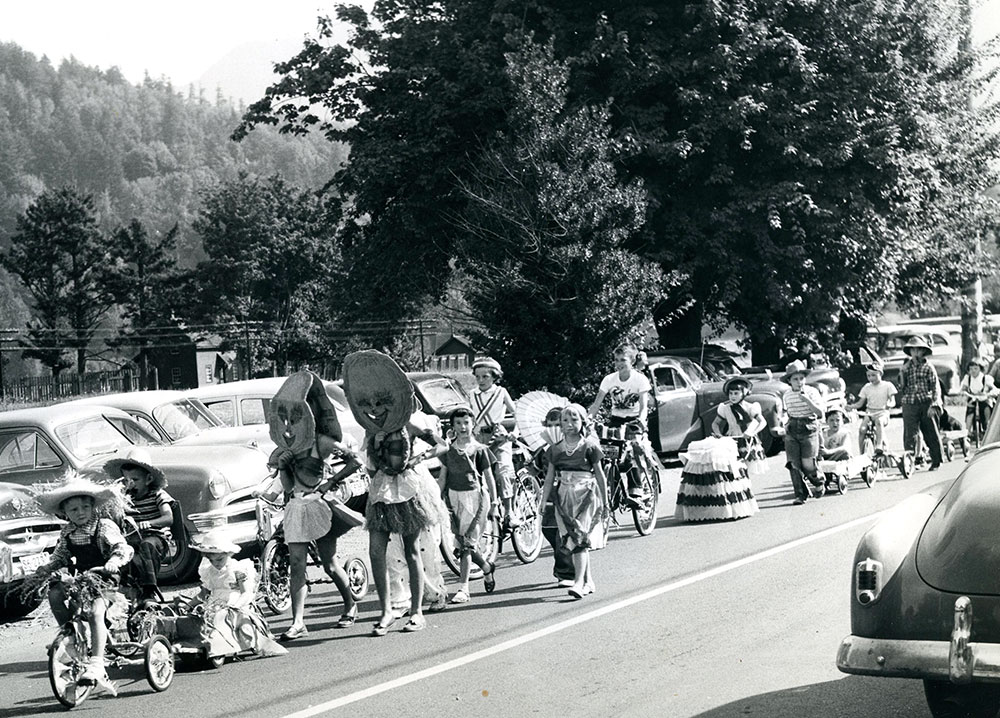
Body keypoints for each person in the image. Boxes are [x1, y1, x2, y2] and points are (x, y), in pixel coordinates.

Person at [343, 350, 449, 636]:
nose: (376, 408)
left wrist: (419, 459)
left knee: (412, 550)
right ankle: (387, 610)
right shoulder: (370, 429)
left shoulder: (410, 424)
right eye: (371, 403)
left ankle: (416, 612)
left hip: (407, 491)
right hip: (380, 493)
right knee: (376, 551)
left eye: (382, 402)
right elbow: (367, 462)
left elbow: (442, 445)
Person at [267, 370, 362, 641]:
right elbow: (286, 486)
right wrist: (284, 465)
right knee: (297, 564)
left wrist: (328, 484)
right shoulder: (287, 444)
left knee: (329, 563)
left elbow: (356, 461)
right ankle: (298, 622)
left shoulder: (322, 442)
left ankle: (350, 604)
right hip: (296, 507)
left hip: (320, 506)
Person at [27, 475, 134, 687]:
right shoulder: (67, 532)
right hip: (81, 577)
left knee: (95, 611)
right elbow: (61, 556)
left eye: (85, 506)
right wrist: (47, 567)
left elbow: (123, 547)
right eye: (74, 510)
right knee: (55, 593)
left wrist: (113, 561)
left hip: (104, 577)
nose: (81, 512)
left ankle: (97, 662)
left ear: (93, 506)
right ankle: (71, 636)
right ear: (65, 513)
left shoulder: (103, 526)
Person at [539, 404, 608, 600]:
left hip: (585, 495)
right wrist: (544, 501)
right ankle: (588, 581)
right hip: (563, 497)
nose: (569, 424)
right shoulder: (555, 449)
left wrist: (605, 501)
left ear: (582, 422)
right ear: (559, 425)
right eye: (565, 421)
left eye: (574, 420)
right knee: (574, 539)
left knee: (579, 538)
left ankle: (578, 583)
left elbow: (600, 475)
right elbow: (549, 478)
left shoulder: (590, 447)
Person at [183, 529, 287, 659]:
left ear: (228, 554)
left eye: (220, 559)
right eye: (211, 560)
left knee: (244, 627)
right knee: (201, 622)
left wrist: (236, 605)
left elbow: (246, 592)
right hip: (215, 604)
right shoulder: (209, 572)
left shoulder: (238, 569)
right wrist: (189, 604)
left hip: (236, 603)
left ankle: (255, 641)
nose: (216, 564)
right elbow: (204, 594)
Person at [439, 407, 498, 604]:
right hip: (454, 498)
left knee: (467, 544)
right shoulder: (448, 450)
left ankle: (463, 588)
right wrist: (437, 499)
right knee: (464, 542)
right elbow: (443, 477)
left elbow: (489, 477)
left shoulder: (479, 450)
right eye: (458, 423)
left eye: (466, 422)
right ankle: (487, 568)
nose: (463, 427)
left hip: (475, 499)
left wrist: (496, 504)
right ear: (453, 426)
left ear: (473, 424)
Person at [104, 447, 173, 604]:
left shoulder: (157, 495)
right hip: (134, 538)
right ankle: (123, 587)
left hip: (157, 539)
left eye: (135, 480)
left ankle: (149, 590)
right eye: (127, 480)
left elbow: (168, 518)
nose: (131, 484)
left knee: (147, 545)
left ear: (148, 479)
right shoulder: (124, 499)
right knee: (116, 547)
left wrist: (149, 523)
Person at [588, 343, 653, 498]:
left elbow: (644, 406)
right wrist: (588, 418)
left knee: (632, 451)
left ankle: (636, 489)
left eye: (622, 360)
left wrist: (641, 420)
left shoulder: (640, 379)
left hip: (634, 421)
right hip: (616, 420)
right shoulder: (609, 379)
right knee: (608, 454)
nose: (618, 364)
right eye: (616, 360)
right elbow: (597, 404)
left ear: (631, 361)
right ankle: (614, 488)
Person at [469, 357, 520, 527]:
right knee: (478, 475)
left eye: (485, 377)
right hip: (478, 438)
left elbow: (515, 414)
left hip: (498, 436)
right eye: (478, 377)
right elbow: (469, 416)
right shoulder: (472, 394)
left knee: (503, 471)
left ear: (494, 377)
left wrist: (515, 432)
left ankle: (509, 511)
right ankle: (485, 507)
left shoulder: (501, 392)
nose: (481, 380)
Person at [537, 407, 575, 587]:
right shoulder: (545, 448)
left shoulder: (569, 447)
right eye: (549, 425)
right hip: (549, 493)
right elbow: (535, 467)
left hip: (566, 493)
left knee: (563, 533)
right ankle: (566, 560)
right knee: (548, 529)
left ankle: (566, 573)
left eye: (557, 425)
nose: (553, 429)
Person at [781, 360, 827, 504]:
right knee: (793, 463)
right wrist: (783, 423)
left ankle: (819, 481)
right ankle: (800, 494)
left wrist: (807, 401)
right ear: (789, 381)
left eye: (802, 378)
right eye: (795, 379)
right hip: (793, 427)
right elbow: (785, 412)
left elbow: (820, 413)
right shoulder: (787, 395)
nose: (799, 382)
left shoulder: (812, 392)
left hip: (809, 427)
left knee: (808, 463)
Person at [897, 336, 943, 470]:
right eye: (912, 350)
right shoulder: (906, 367)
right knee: (909, 433)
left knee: (930, 431)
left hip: (925, 402)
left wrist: (935, 404)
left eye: (918, 350)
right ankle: (908, 461)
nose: (915, 353)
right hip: (909, 402)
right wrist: (902, 373)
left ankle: (936, 460)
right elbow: (901, 387)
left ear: (923, 352)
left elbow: (935, 387)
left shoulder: (928, 367)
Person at [710, 376, 766, 465]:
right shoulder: (725, 408)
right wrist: (718, 433)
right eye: (730, 393)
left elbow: (762, 422)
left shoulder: (750, 407)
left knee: (748, 464)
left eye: (736, 393)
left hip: (747, 441)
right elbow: (715, 423)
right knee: (734, 467)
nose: (733, 396)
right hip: (731, 440)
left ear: (743, 393)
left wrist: (753, 432)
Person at [850, 363, 896, 452]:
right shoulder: (867, 387)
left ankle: (879, 445)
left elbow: (892, 400)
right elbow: (860, 403)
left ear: (880, 374)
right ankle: (862, 452)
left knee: (879, 422)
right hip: (869, 413)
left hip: (882, 413)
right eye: (869, 376)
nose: (871, 378)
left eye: (874, 375)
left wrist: (889, 404)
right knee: (862, 429)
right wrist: (851, 407)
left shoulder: (887, 385)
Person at [960, 358, 997, 441]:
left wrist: (990, 393)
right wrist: (964, 393)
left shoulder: (985, 378)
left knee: (986, 407)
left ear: (980, 369)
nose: (973, 371)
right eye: (971, 369)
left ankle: (987, 425)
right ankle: (967, 432)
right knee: (970, 411)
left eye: (976, 368)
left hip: (983, 397)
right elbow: (963, 389)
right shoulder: (968, 378)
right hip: (973, 398)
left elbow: (993, 389)